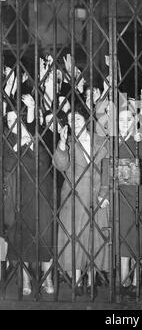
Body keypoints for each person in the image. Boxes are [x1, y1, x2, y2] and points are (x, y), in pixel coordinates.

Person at [53, 102, 109, 296]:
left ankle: (93, 280)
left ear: (86, 120)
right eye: (70, 121)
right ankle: (76, 282)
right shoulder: (67, 143)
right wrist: (61, 144)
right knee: (75, 240)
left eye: (77, 119)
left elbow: (107, 169)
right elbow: (61, 165)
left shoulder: (101, 141)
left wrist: (104, 193)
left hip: (96, 197)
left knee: (94, 239)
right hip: (74, 199)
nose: (74, 123)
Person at [2, 102, 54, 296]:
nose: (12, 122)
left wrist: (31, 143)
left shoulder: (36, 134)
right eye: (8, 120)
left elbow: (45, 162)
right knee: (22, 239)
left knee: (46, 237)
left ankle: (47, 277)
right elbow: (6, 166)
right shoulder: (8, 141)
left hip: (42, 195)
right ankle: (25, 280)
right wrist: (17, 146)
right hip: (20, 195)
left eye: (15, 118)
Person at [114, 107, 142, 297]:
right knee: (122, 236)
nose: (124, 122)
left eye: (128, 119)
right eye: (121, 119)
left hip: (136, 195)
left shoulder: (140, 142)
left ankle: (137, 279)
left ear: (134, 120)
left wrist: (135, 176)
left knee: (137, 236)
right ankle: (123, 278)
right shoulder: (112, 142)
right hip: (118, 196)